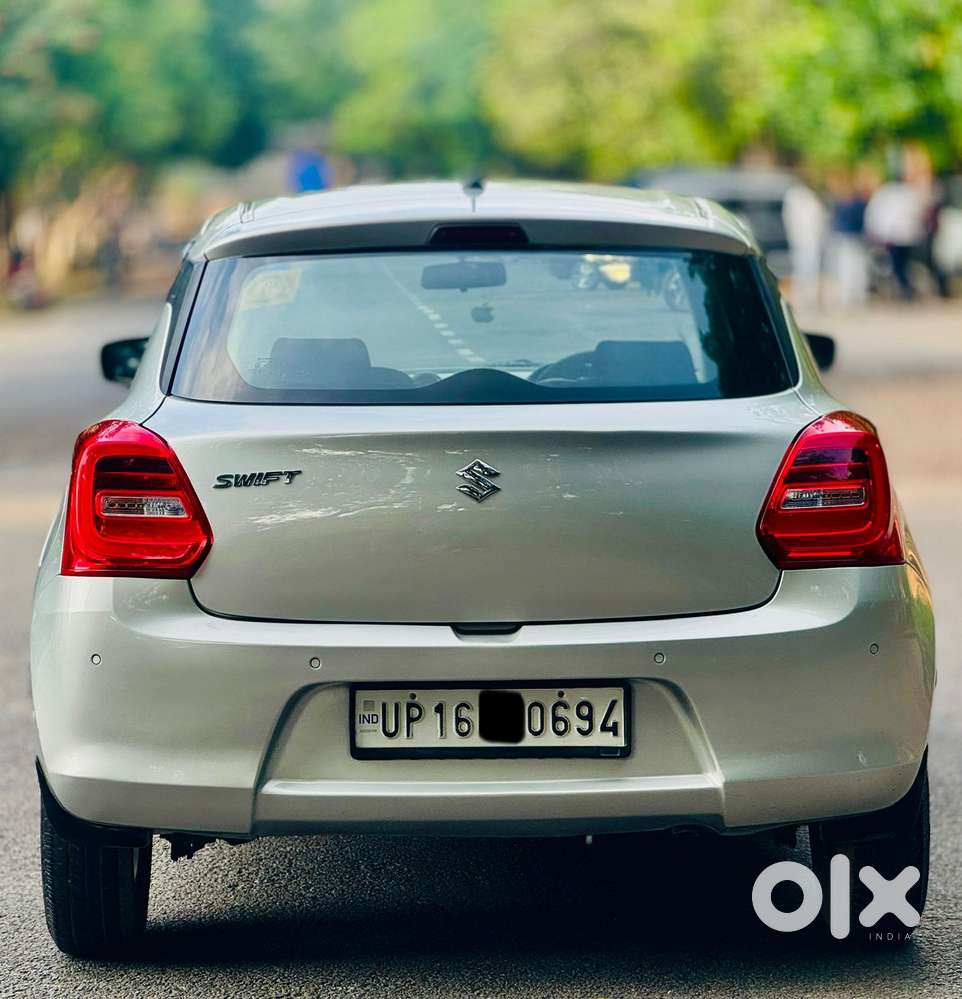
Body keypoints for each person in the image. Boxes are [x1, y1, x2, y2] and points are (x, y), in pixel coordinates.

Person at [826, 167, 869, 309]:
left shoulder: (855, 203)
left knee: (854, 270)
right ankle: (850, 298)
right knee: (848, 270)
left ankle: (855, 298)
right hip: (847, 239)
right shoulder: (849, 203)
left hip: (852, 238)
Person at [782, 178, 827, 311]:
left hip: (811, 240)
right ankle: (802, 300)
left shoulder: (809, 197)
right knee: (801, 271)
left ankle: (809, 300)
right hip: (801, 239)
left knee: (810, 271)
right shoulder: (796, 197)